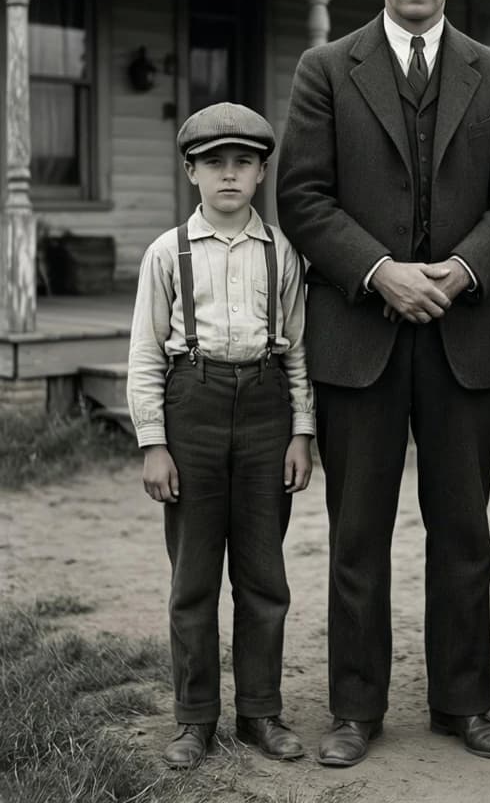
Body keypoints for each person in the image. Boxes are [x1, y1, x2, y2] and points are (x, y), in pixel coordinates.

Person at [276, 0, 490, 767]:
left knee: (463, 533)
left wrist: (460, 273)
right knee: (358, 534)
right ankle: (355, 709)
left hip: (463, 338)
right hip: (358, 332)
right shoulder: (326, 67)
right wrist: (381, 272)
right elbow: (302, 197)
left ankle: (464, 705)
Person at [127, 102, 314, 769]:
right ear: (190, 172)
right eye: (214, 163)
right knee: (194, 578)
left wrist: (301, 432)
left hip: (265, 410)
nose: (228, 175)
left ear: (262, 173)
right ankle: (195, 719)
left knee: (264, 576)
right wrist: (154, 441)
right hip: (193, 408)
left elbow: (297, 350)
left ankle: (261, 711)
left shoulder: (282, 252)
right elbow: (147, 354)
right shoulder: (165, 253)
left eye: (242, 162)